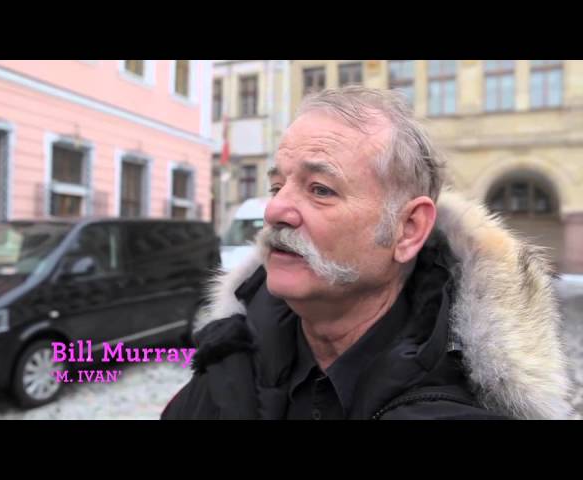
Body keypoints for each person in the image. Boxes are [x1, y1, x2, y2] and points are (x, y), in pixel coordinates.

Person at [162, 86, 572, 420]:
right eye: (276, 186)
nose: (274, 211)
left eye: (320, 189)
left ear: (408, 230)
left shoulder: (463, 404)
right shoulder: (225, 366)